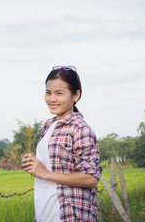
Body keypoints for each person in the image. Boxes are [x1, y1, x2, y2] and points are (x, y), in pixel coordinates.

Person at [22, 65, 102, 222]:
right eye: (48, 93)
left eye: (59, 93)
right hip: (45, 212)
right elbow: (49, 165)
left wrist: (45, 173)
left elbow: (91, 178)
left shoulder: (80, 128)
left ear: (75, 95)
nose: (52, 99)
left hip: (68, 215)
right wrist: (32, 164)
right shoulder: (48, 126)